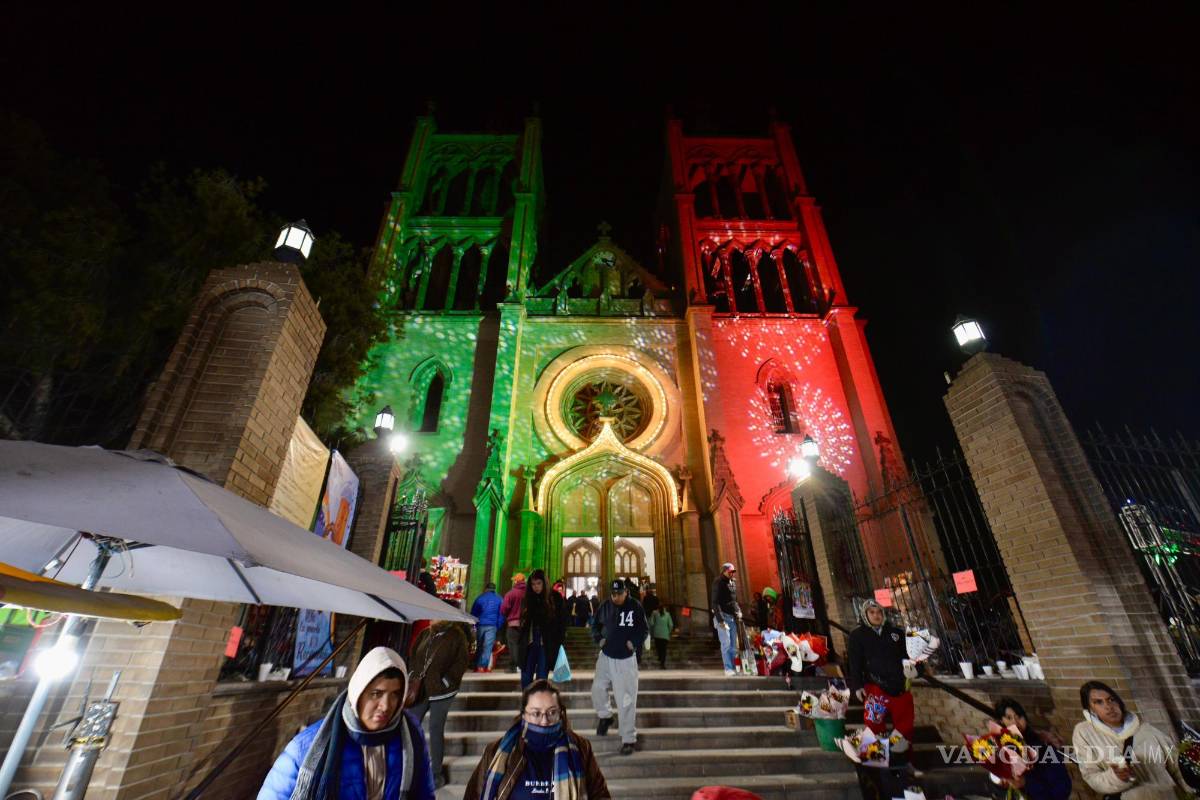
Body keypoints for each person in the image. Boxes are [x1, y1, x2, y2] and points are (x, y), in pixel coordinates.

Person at [258, 646, 436, 800]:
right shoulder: (306, 747)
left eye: (395, 694)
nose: (386, 706)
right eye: (376, 693)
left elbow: (423, 794)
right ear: (357, 693)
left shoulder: (411, 736)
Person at [463, 678, 611, 800]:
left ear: (561, 713)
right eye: (536, 713)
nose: (544, 720)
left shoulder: (580, 748)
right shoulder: (496, 751)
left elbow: (600, 796)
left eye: (551, 712)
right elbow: (473, 796)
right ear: (523, 715)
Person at [1072, 680, 1193, 800]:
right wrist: (1117, 777)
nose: (1108, 706)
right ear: (1090, 709)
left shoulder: (1146, 730)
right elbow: (1091, 776)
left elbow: (1177, 768)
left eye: (1111, 699)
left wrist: (1193, 791)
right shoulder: (1085, 734)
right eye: (1098, 702)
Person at [409, 621, 471, 789]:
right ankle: (410, 767)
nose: (433, 619)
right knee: (411, 726)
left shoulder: (456, 635)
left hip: (443, 691)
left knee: (435, 728)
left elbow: (461, 661)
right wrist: (413, 676)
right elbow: (414, 656)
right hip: (421, 689)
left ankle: (436, 772)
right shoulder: (425, 634)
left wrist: (447, 681)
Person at [846, 599, 916, 743]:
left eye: (879, 612)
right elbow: (855, 663)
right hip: (874, 686)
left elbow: (908, 655)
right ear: (865, 614)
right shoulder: (857, 635)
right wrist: (858, 685)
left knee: (904, 723)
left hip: (899, 684)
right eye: (872, 612)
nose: (876, 615)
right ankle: (879, 752)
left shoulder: (896, 633)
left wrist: (914, 669)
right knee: (874, 722)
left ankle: (901, 754)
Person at [591, 578, 648, 755]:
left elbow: (643, 629)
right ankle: (606, 716)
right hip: (606, 656)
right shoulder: (605, 605)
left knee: (626, 700)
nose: (616, 597)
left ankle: (628, 739)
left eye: (619, 594)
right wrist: (598, 638)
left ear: (626, 592)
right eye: (613, 594)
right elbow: (595, 625)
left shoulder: (635, 606)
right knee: (597, 689)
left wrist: (634, 642)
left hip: (625, 659)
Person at [992, 697, 1071, 800]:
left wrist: (1026, 782)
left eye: (1019, 716)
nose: (1015, 722)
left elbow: (1062, 787)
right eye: (1009, 718)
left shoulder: (1044, 745)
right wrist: (1003, 784)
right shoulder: (999, 748)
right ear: (1001, 721)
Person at [518, 569, 566, 689]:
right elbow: (524, 621)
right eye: (533, 584)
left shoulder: (555, 598)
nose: (536, 587)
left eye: (539, 583)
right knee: (526, 677)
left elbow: (562, 622)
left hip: (545, 643)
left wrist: (558, 641)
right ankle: (528, 705)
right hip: (530, 642)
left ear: (544, 583)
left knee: (541, 677)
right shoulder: (528, 599)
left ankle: (539, 705)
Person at [710, 562, 742, 676]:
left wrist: (738, 611)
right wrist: (720, 620)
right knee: (726, 643)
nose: (732, 574)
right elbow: (715, 602)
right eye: (730, 572)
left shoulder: (733, 582)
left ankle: (733, 668)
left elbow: (734, 600)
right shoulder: (718, 582)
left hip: (732, 617)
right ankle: (728, 668)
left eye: (733, 572)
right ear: (724, 571)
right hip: (723, 616)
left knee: (733, 644)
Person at [471, 581, 504, 671]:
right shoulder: (499, 599)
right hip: (492, 625)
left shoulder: (479, 598)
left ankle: (476, 665)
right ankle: (482, 666)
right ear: (494, 589)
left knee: (479, 645)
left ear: (486, 589)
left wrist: (474, 624)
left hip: (480, 624)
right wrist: (498, 625)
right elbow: (501, 615)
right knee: (488, 647)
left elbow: (474, 613)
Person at [500, 572, 527, 673]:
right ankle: (523, 666)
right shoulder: (529, 593)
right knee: (523, 645)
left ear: (516, 581)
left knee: (513, 645)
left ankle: (513, 667)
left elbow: (503, 609)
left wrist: (509, 615)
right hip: (526, 624)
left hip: (513, 624)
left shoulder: (511, 593)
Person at [649, 603, 674, 669]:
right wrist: (668, 632)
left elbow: (651, 623)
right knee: (664, 649)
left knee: (658, 648)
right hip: (665, 635)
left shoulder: (655, 613)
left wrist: (651, 630)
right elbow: (671, 625)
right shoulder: (667, 614)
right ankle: (662, 663)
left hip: (657, 634)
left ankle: (660, 658)